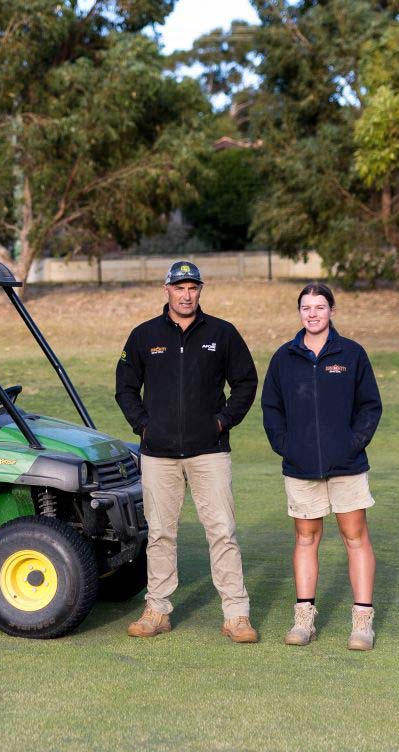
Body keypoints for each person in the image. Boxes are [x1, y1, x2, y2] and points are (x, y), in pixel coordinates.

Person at [115, 260, 260, 641]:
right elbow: (125, 387)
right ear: (167, 290)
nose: (186, 294)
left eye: (192, 287)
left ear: (200, 290)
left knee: (223, 531)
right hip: (158, 454)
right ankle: (157, 610)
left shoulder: (222, 333)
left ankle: (236, 614)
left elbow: (245, 382)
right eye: (179, 287)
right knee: (161, 533)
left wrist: (221, 422)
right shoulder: (144, 335)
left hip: (209, 452)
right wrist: (144, 426)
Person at [261, 282, 383, 650]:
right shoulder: (284, 358)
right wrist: (286, 447)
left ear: (331, 311)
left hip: (346, 466)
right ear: (299, 312)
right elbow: (271, 409)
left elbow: (370, 407)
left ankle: (362, 623)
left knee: (355, 537)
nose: (312, 313)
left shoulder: (352, 354)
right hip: (300, 468)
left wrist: (351, 444)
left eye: (319, 307)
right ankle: (304, 621)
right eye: (305, 307)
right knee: (305, 538)